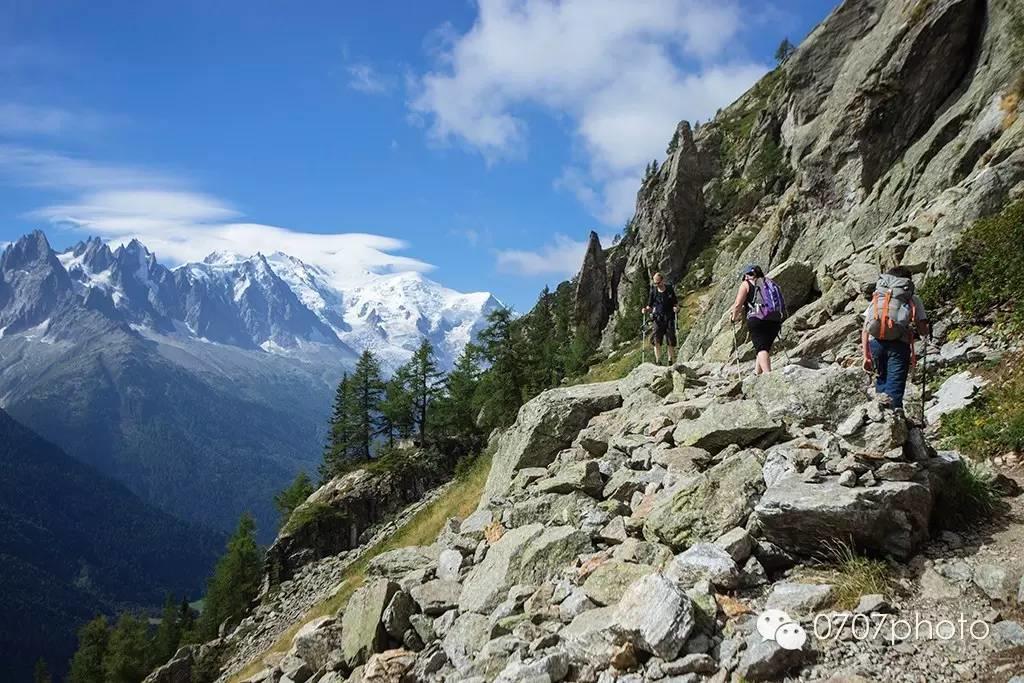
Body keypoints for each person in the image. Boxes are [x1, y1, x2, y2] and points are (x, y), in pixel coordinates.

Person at [862, 266, 929, 410]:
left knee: (881, 379)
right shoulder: (912, 298)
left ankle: (881, 414)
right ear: (907, 282)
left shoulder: (879, 296)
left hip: (876, 343)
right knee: (895, 383)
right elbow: (922, 329)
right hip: (899, 344)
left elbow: (865, 328)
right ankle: (893, 419)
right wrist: (925, 333)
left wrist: (865, 356)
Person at [730, 264, 785, 375]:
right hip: (775, 319)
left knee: (761, 348)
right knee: (763, 347)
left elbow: (738, 304)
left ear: (747, 275)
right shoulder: (769, 283)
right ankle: (757, 373)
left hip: (758, 318)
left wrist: (733, 317)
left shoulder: (746, 284)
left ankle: (768, 375)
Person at [642, 272, 678, 364]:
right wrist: (645, 310)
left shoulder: (669, 289)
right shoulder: (653, 291)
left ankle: (670, 360)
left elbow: (675, 303)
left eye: (658, 282)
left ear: (662, 281)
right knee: (656, 339)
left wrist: (676, 308)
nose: (656, 285)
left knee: (670, 339)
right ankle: (658, 361)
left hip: (669, 317)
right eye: (655, 283)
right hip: (657, 318)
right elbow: (649, 305)